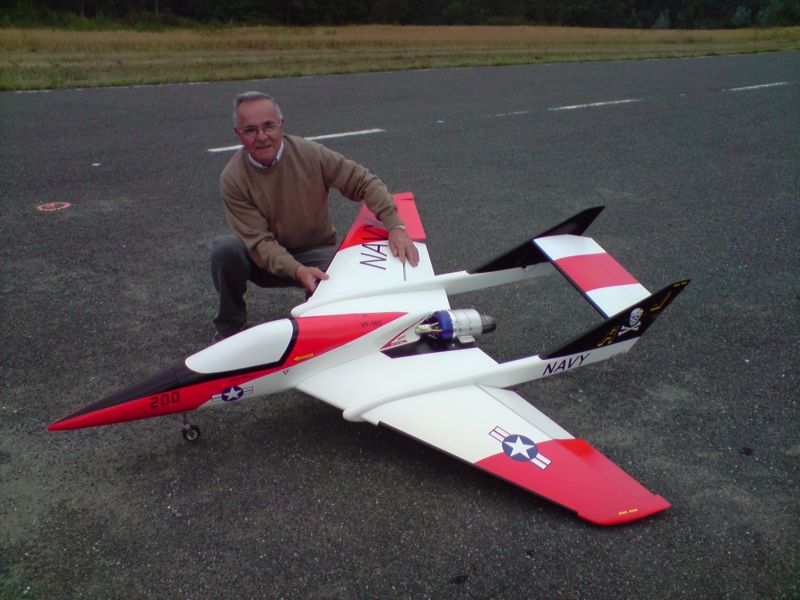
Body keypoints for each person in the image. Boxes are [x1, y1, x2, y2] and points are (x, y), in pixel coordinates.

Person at [210, 91, 419, 341]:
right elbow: (259, 243)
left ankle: (319, 323)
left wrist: (395, 226)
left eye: (268, 126)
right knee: (225, 251)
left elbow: (364, 181)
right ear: (238, 134)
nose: (262, 136)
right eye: (251, 130)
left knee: (344, 271)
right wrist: (297, 270)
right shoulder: (233, 178)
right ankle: (231, 327)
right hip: (263, 259)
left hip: (315, 250)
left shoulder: (311, 154)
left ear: (281, 124)